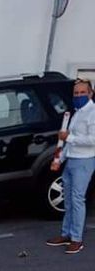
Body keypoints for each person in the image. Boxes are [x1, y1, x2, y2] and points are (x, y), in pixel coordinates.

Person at [47, 78, 95, 254]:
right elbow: (68, 141)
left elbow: (92, 140)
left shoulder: (92, 113)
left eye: (82, 93)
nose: (79, 96)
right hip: (72, 160)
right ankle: (66, 233)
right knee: (68, 199)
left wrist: (69, 138)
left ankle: (77, 239)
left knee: (77, 199)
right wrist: (59, 159)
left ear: (90, 94)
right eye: (76, 93)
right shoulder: (77, 112)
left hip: (85, 160)